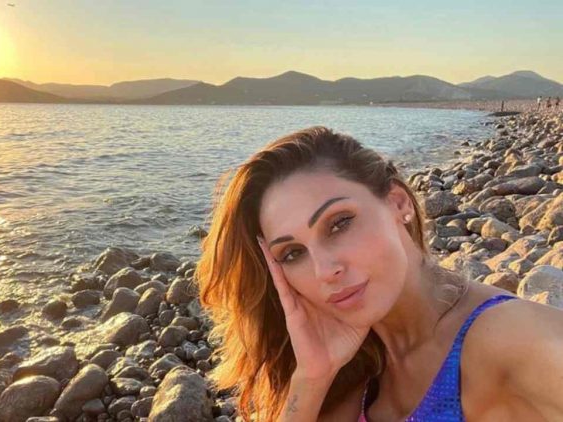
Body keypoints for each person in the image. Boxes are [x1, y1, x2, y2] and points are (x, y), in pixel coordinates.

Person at [195, 126, 563, 421]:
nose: (325, 271)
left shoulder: (509, 338)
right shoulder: (354, 369)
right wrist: (310, 379)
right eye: (292, 253)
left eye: (339, 224)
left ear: (398, 203)